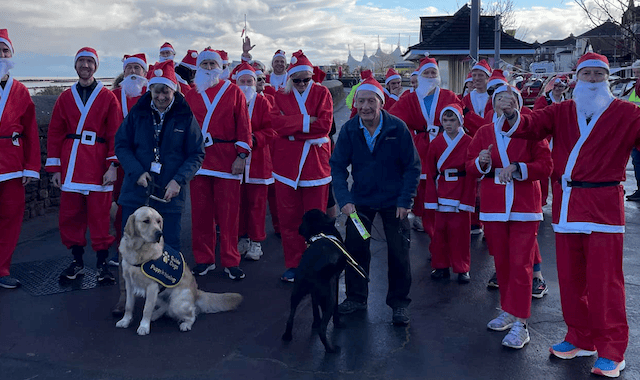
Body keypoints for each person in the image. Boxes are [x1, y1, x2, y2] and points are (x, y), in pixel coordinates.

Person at [497, 52, 636, 377]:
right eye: (586, 74)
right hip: (568, 204)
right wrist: (514, 113)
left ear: (607, 78)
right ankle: (580, 337)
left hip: (604, 207)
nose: (591, 80)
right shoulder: (562, 111)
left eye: (597, 75)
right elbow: (533, 124)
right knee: (572, 280)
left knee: (606, 283)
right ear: (576, 78)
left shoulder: (627, 113)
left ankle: (613, 351)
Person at [113, 60, 204, 315]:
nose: (162, 96)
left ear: (173, 91)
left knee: (168, 247)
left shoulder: (185, 116)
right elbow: (121, 144)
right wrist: (136, 171)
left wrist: (179, 180)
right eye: (157, 91)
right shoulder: (137, 113)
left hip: (168, 192)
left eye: (166, 91)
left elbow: (197, 153)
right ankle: (126, 297)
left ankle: (165, 299)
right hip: (137, 188)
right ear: (150, 91)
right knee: (130, 244)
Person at [467, 84, 552, 349]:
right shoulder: (484, 132)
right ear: (493, 104)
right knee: (502, 262)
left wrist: (518, 167)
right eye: (499, 98)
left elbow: (546, 165)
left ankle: (521, 323)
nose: (504, 102)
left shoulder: (531, 131)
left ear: (517, 102)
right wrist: (481, 162)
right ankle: (508, 310)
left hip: (525, 206)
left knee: (521, 263)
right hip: (494, 207)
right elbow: (471, 166)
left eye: (510, 98)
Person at [330, 77, 421, 325]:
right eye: (361, 101)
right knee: (356, 249)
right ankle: (357, 298)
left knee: (399, 252)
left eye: (372, 101)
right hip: (361, 202)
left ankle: (399, 303)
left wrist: (406, 200)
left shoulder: (397, 128)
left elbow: (412, 168)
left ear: (381, 103)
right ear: (355, 102)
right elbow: (337, 166)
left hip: (395, 202)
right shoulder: (350, 129)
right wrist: (345, 200)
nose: (366, 106)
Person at [45, 47, 122, 283]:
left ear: (96, 66)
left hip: (98, 164)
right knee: (71, 216)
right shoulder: (65, 97)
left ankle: (101, 265)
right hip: (71, 164)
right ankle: (77, 262)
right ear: (76, 66)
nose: (86, 66)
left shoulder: (108, 97)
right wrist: (55, 168)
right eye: (82, 62)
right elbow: (55, 133)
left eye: (90, 62)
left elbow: (115, 133)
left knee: (99, 217)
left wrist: (113, 166)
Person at [186, 48, 252, 281]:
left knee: (229, 215)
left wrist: (241, 156)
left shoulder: (233, 91)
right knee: (201, 213)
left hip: (227, 159)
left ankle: (230, 260)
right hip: (199, 161)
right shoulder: (191, 95)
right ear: (198, 68)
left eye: (213, 64)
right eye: (205, 65)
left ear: (221, 67)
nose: (209, 68)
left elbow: (244, 126)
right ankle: (204, 259)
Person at [270, 50, 333, 282]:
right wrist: (308, 121)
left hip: (315, 165)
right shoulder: (279, 95)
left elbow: (325, 126)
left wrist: (293, 128)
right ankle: (294, 263)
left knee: (316, 218)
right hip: (286, 165)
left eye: (306, 79)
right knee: (289, 218)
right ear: (290, 79)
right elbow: (276, 123)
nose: (302, 84)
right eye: (297, 80)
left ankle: (317, 262)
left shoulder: (322, 92)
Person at [389, 56, 463, 239]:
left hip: (443, 145)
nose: (430, 76)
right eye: (427, 73)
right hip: (420, 147)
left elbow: (460, 117)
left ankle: (444, 228)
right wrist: (409, 137)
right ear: (420, 76)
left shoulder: (448, 96)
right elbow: (393, 120)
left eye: (433, 73)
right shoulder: (410, 98)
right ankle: (425, 220)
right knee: (423, 187)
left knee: (443, 187)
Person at [0, 29, 41, 289]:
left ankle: (2, 269)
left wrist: (31, 167)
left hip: (13, 167)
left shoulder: (21, 91)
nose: (1, 55)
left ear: (11, 55)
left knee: (10, 219)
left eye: (4, 51)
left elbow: (31, 133)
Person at [424, 104, 475, 283]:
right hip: (441, 190)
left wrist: (468, 198)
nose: (448, 124)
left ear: (460, 120)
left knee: (460, 233)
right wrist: (431, 198)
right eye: (445, 120)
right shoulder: (436, 142)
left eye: (452, 120)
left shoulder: (469, 141)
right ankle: (441, 266)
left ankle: (462, 269)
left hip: (460, 190)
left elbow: (471, 173)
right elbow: (430, 171)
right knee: (439, 233)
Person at [232, 63, 276, 261]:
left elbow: (272, 130)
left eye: (250, 81)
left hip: (258, 161)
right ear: (236, 82)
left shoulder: (263, 103)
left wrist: (252, 138)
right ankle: (242, 236)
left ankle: (256, 240)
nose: (246, 84)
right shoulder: (230, 102)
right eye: (242, 81)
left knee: (257, 203)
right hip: (234, 161)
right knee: (238, 202)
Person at [461, 59, 493, 137]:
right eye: (474, 75)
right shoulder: (467, 99)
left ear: (488, 77)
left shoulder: (494, 97)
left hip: (491, 136)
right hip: (472, 137)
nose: (477, 78)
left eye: (481, 75)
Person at [626, 61, 640, 201]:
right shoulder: (636, 86)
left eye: (638, 73)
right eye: (635, 73)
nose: (636, 75)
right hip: (636, 126)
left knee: (637, 161)